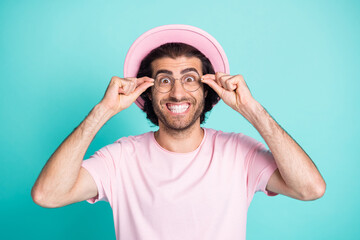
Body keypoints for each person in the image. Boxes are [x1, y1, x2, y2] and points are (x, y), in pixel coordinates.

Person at [31, 24, 326, 240]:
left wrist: (251, 109)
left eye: (189, 79)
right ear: (146, 91)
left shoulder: (239, 153)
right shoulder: (120, 158)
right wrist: (102, 111)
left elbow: (310, 188)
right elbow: (47, 195)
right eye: (163, 80)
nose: (177, 92)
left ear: (207, 88)